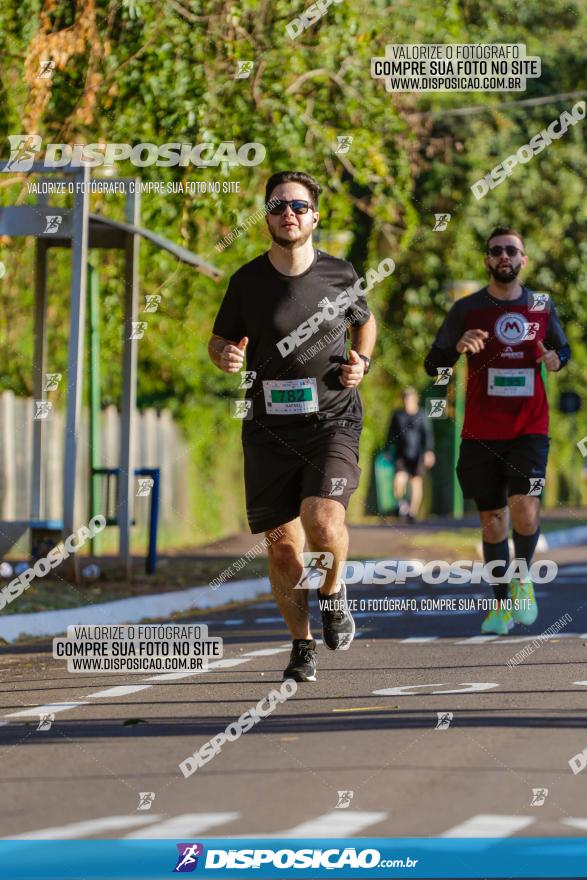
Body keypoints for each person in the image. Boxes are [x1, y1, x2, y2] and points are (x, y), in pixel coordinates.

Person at [208, 171, 377, 680]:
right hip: (268, 429)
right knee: (282, 546)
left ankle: (332, 592)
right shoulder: (246, 282)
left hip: (331, 420)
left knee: (322, 519)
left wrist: (361, 363)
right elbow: (219, 341)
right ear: (266, 216)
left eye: (299, 207)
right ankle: (301, 644)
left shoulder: (340, 275)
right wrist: (225, 358)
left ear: (315, 217)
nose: (289, 213)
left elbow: (363, 322)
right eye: (279, 205)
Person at [424, 227, 570, 635]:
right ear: (487, 260)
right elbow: (432, 367)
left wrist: (554, 359)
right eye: (496, 251)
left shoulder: (541, 305)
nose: (504, 256)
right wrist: (456, 349)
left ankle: (523, 579)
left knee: (525, 505)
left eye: (512, 250)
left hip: (529, 426)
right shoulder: (467, 309)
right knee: (492, 521)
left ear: (524, 259)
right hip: (482, 432)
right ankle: (501, 603)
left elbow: (564, 350)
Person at [385, 388, 435, 522]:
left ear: (415, 400)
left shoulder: (422, 415)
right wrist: (387, 450)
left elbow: (428, 435)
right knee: (398, 481)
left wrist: (429, 451)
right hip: (401, 455)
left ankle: (411, 514)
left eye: (410, 399)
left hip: (417, 455)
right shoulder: (397, 415)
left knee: (415, 484)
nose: (407, 402)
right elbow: (390, 435)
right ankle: (402, 505)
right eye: (405, 399)